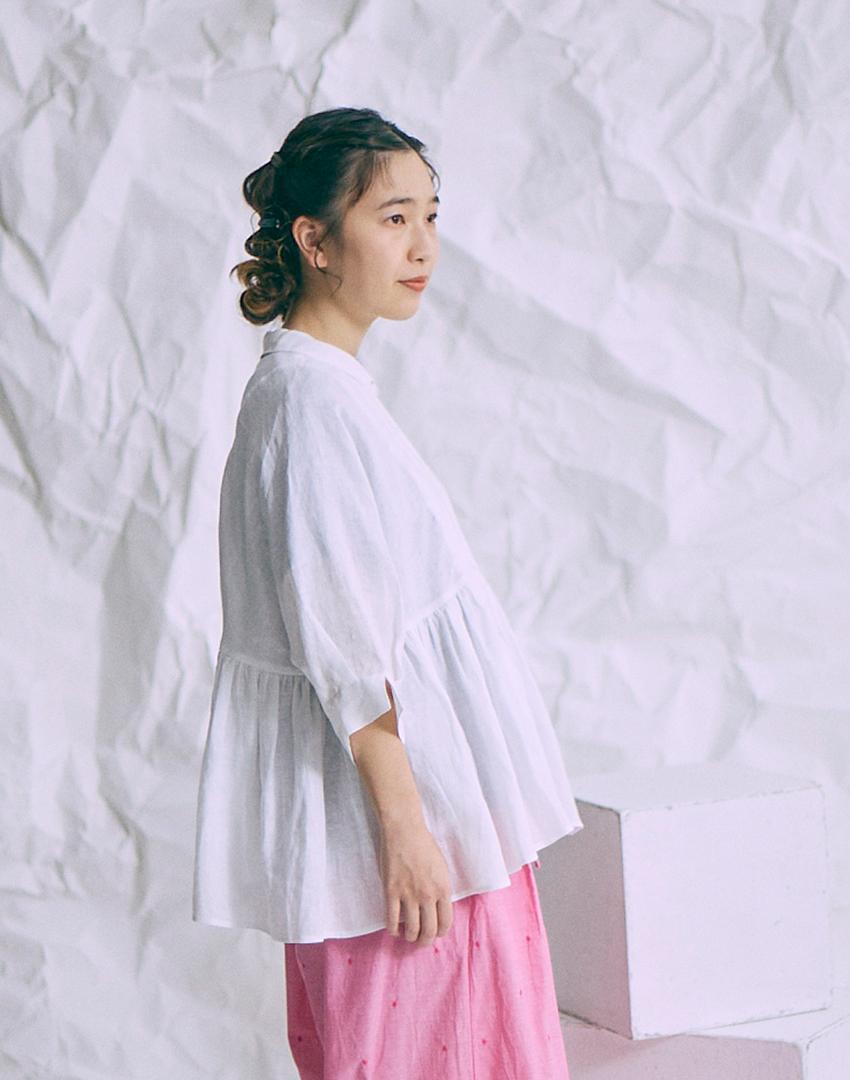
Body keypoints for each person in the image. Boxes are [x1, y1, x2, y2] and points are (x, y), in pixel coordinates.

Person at [191, 106, 584, 1079]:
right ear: (314, 241)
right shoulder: (309, 404)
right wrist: (408, 834)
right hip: (407, 842)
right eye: (393, 217)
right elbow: (341, 644)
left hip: (429, 828)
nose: (423, 246)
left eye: (430, 216)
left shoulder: (322, 391)